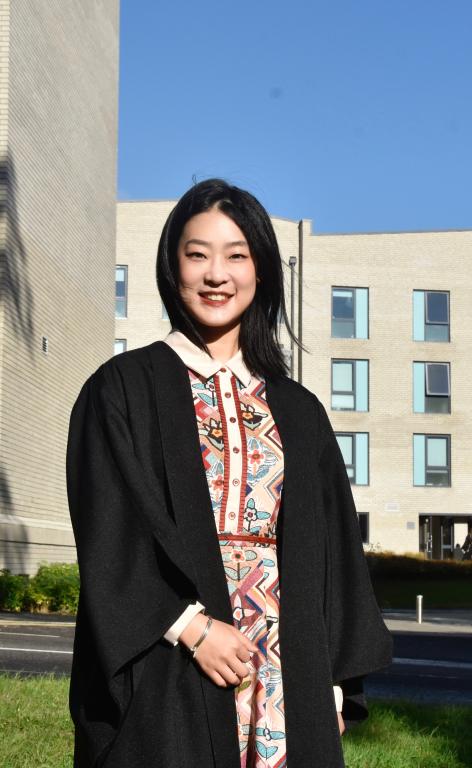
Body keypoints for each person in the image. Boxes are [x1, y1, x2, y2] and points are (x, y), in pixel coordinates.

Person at [66, 178, 393, 768]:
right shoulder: (122, 389)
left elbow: (333, 552)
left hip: (286, 668)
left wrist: (333, 681)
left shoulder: (298, 411)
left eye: (236, 256)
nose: (216, 275)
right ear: (172, 267)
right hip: (171, 654)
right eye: (197, 255)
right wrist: (191, 628)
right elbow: (110, 530)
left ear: (260, 270)